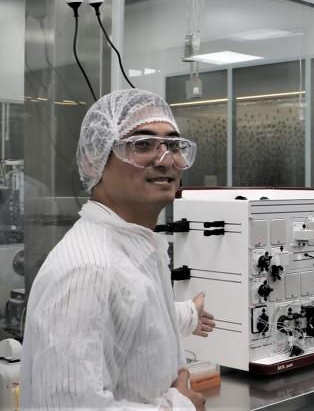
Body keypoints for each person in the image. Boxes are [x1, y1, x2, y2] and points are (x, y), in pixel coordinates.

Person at [21, 89, 216, 410]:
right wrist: (181, 406)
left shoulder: (136, 248)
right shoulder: (87, 271)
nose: (165, 158)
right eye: (142, 144)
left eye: (173, 145)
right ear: (93, 158)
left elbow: (134, 317)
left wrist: (189, 314)